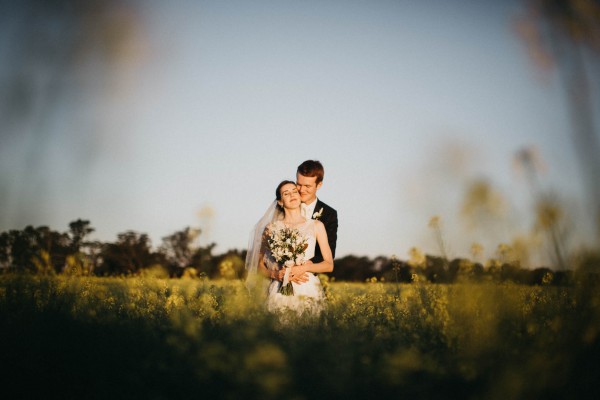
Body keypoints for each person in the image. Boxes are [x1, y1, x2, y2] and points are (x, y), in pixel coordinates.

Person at [245, 180, 334, 316]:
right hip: (279, 288)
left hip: (307, 288)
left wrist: (303, 268)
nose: (292, 195)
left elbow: (328, 265)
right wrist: (275, 274)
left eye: (294, 191)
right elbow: (259, 266)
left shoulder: (316, 225)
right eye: (286, 193)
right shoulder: (271, 228)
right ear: (280, 202)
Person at [292, 160, 338, 282]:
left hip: (307, 279)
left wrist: (304, 267)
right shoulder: (284, 207)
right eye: (299, 184)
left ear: (319, 185)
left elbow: (328, 255)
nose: (301, 190)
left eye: (307, 186)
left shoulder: (329, 214)